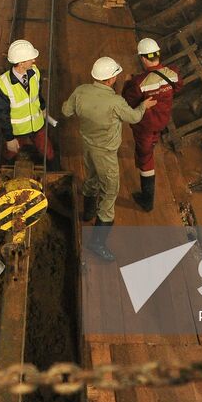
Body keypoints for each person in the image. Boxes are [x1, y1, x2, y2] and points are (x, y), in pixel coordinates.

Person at [61, 56, 156, 261]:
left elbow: (66, 111)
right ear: (111, 80)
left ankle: (87, 212)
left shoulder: (80, 91)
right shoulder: (115, 102)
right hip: (106, 153)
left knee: (91, 178)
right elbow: (134, 117)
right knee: (110, 193)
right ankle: (97, 243)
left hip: (87, 146)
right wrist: (144, 106)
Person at [120, 37, 180, 211]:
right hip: (162, 121)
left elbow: (127, 101)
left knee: (145, 159)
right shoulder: (173, 74)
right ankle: (150, 147)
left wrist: (127, 82)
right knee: (150, 144)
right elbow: (177, 87)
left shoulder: (139, 83)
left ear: (143, 58)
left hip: (145, 126)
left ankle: (147, 201)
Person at [0, 39, 57, 168]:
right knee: (10, 153)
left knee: (48, 152)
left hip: (36, 124)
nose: (34, 61)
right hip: (18, 130)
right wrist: (9, 138)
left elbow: (38, 95)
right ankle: (3, 168)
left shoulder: (35, 72)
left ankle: (53, 168)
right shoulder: (2, 84)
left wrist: (43, 108)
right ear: (21, 63)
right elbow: (2, 115)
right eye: (30, 59)